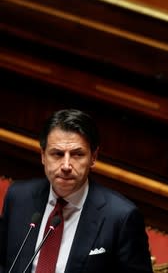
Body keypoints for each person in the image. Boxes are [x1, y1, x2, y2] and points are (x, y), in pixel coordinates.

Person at [0, 109, 154, 273]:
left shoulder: (121, 217)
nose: (66, 166)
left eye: (77, 154)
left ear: (93, 157)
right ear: (43, 156)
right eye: (57, 154)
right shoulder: (18, 197)